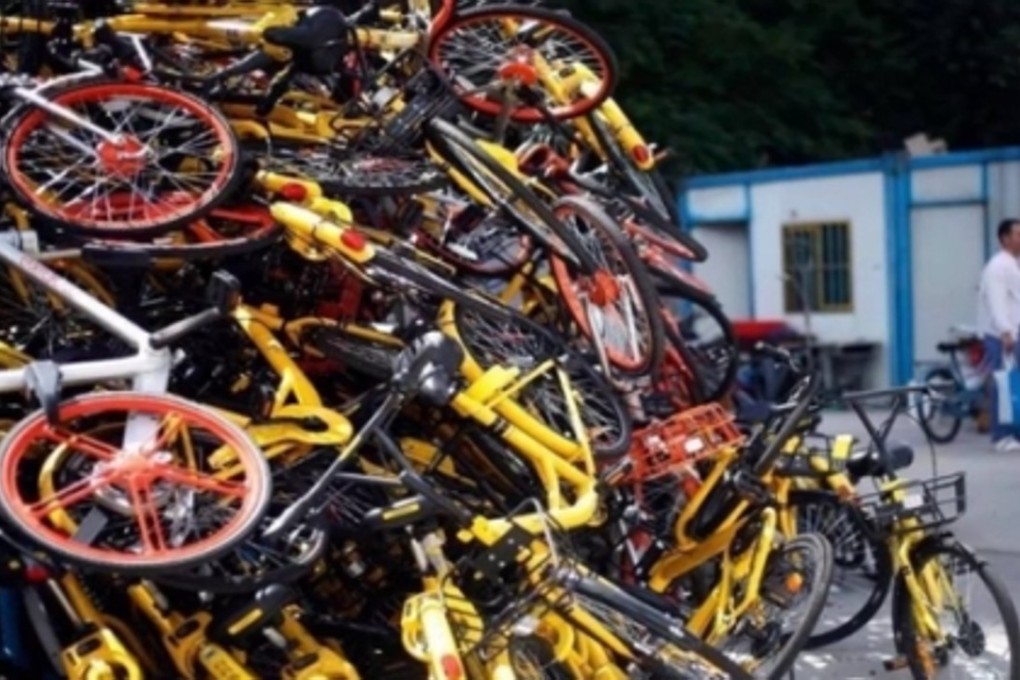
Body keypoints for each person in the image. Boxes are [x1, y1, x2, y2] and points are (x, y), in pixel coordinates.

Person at [978, 218, 1020, 450]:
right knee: (1003, 384)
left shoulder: (1014, 264)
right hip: (1003, 336)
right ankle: (1001, 435)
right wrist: (1005, 331)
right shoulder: (998, 266)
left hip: (1015, 332)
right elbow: (997, 301)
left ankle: (1015, 431)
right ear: (1005, 238)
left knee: (1016, 385)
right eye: (1018, 234)